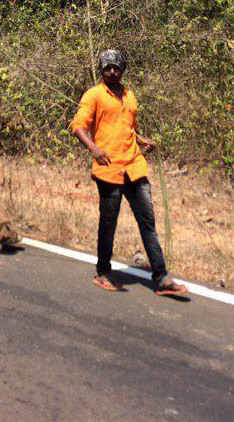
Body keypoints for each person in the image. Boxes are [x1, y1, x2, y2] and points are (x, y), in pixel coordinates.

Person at [70, 50, 187, 297]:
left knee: (148, 222)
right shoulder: (93, 95)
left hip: (134, 166)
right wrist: (93, 148)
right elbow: (78, 126)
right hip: (109, 168)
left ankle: (162, 278)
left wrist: (141, 140)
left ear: (123, 70)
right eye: (107, 67)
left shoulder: (130, 96)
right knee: (108, 223)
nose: (112, 71)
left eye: (116, 67)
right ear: (102, 70)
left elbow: (128, 128)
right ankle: (103, 271)